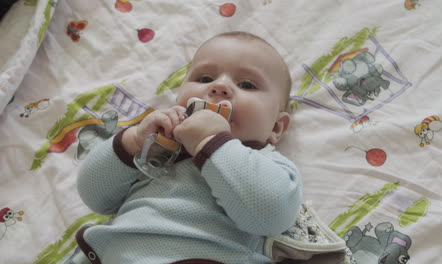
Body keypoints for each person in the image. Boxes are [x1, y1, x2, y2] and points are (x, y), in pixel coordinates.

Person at [76, 31, 303, 264]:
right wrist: (132, 141)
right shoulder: (156, 146)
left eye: (247, 84)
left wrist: (214, 142)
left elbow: (270, 217)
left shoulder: (268, 166)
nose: (219, 86)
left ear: (276, 127)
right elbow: (95, 197)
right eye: (205, 79)